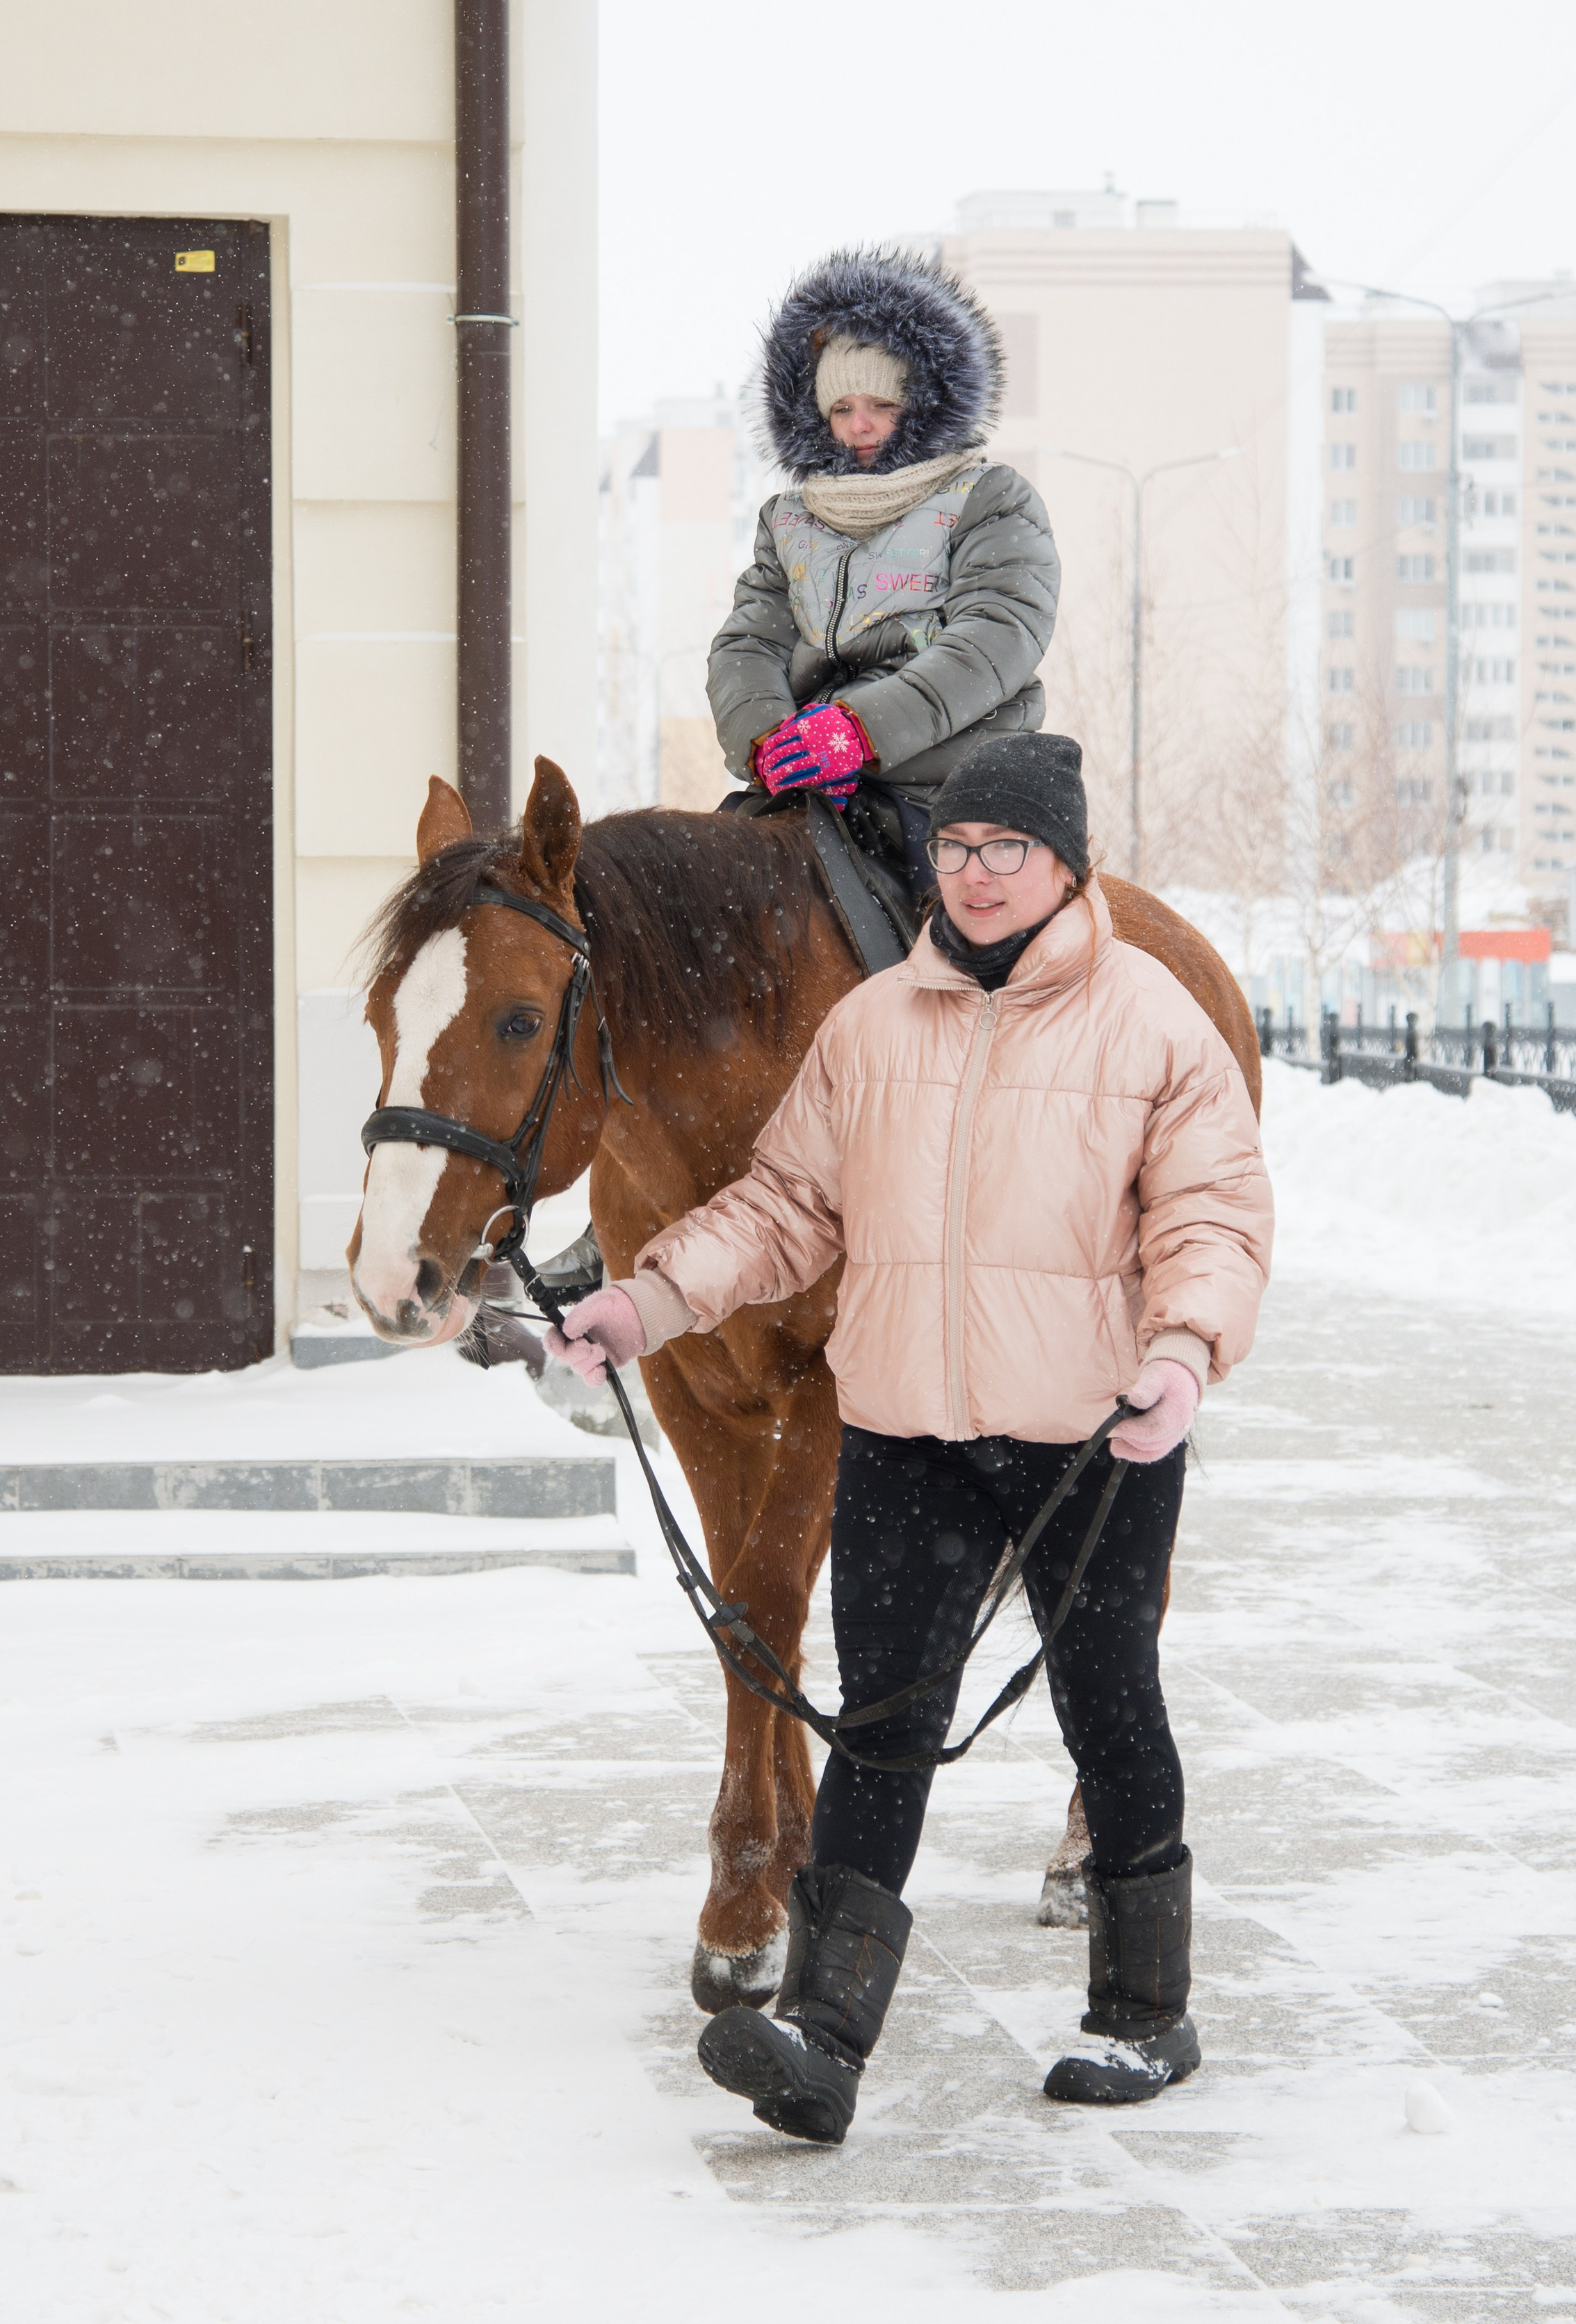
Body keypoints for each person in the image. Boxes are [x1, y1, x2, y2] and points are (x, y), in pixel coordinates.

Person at [547, 736, 1274, 2146]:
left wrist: (1182, 1348)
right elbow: (785, 1209)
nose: (979, 874)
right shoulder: (873, 1025)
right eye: (957, 849)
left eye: (1010, 849)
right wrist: (644, 1298)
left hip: (1089, 1433)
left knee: (1107, 1698)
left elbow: (1214, 1216)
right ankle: (824, 2038)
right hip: (906, 1432)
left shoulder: (1151, 1025)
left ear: (1064, 862)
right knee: (884, 1725)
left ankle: (1141, 2014)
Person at [707, 247, 1062, 834]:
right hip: (809, 785)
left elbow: (995, 636)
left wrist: (860, 730)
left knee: (971, 909)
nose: (859, 426)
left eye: (882, 405)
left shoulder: (990, 497)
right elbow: (749, 645)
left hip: (949, 781)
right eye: (841, 407)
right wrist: (769, 740)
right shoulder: (789, 519)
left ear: (923, 406)